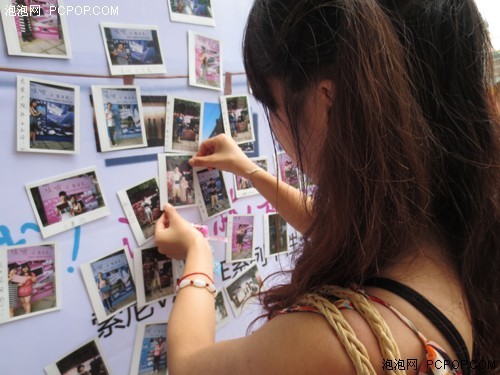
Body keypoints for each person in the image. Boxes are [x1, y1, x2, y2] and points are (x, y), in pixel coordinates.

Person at [154, 0, 500, 374]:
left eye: (272, 105)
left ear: (327, 102)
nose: (275, 123)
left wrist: (198, 253)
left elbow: (188, 365)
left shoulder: (335, 344)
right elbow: (345, 229)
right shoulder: (454, 225)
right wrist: (250, 171)